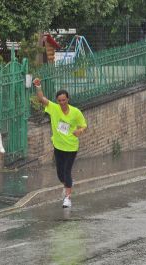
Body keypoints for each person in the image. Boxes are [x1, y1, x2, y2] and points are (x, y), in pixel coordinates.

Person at [33, 78, 87, 208]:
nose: (62, 102)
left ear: (68, 99)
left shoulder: (76, 112)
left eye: (64, 100)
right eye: (60, 100)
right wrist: (38, 86)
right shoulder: (54, 108)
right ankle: (67, 185)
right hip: (58, 146)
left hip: (71, 147)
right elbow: (41, 99)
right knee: (59, 173)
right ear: (57, 101)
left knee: (67, 171)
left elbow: (83, 125)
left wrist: (80, 131)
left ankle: (67, 198)